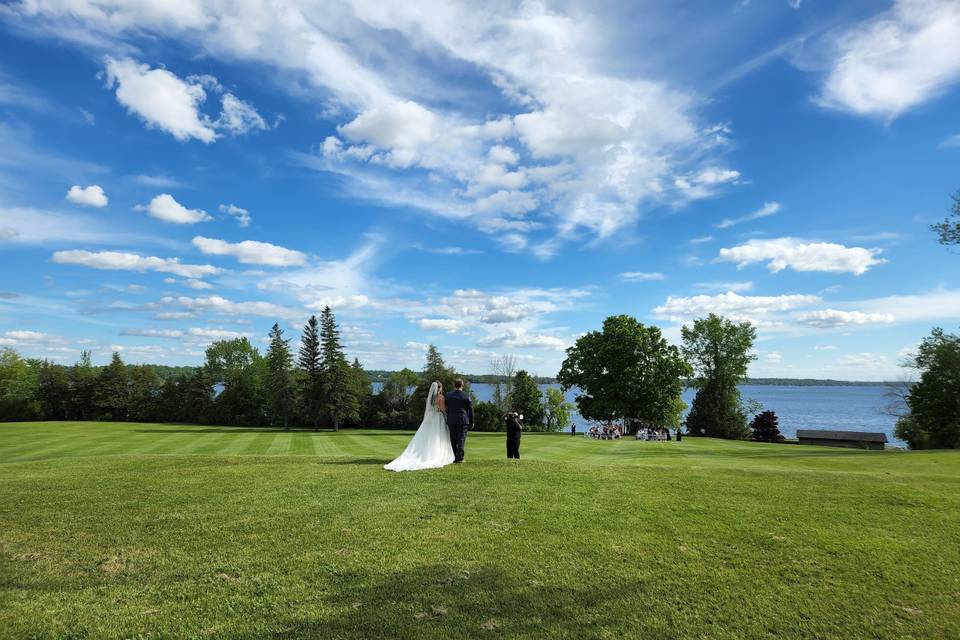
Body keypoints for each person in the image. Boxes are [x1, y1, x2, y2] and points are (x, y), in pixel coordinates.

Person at [384, 381, 454, 471]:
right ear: (439, 388)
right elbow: (443, 409)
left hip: (430, 418)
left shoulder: (430, 398)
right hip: (438, 418)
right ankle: (436, 454)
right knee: (437, 436)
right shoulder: (440, 397)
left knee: (428, 436)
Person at [444, 379, 473, 463]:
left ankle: (454, 456)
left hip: (451, 419)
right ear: (462, 386)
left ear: (454, 385)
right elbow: (470, 410)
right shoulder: (466, 396)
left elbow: (446, 408)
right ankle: (459, 458)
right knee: (461, 439)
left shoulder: (448, 395)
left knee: (453, 439)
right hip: (462, 420)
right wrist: (472, 421)